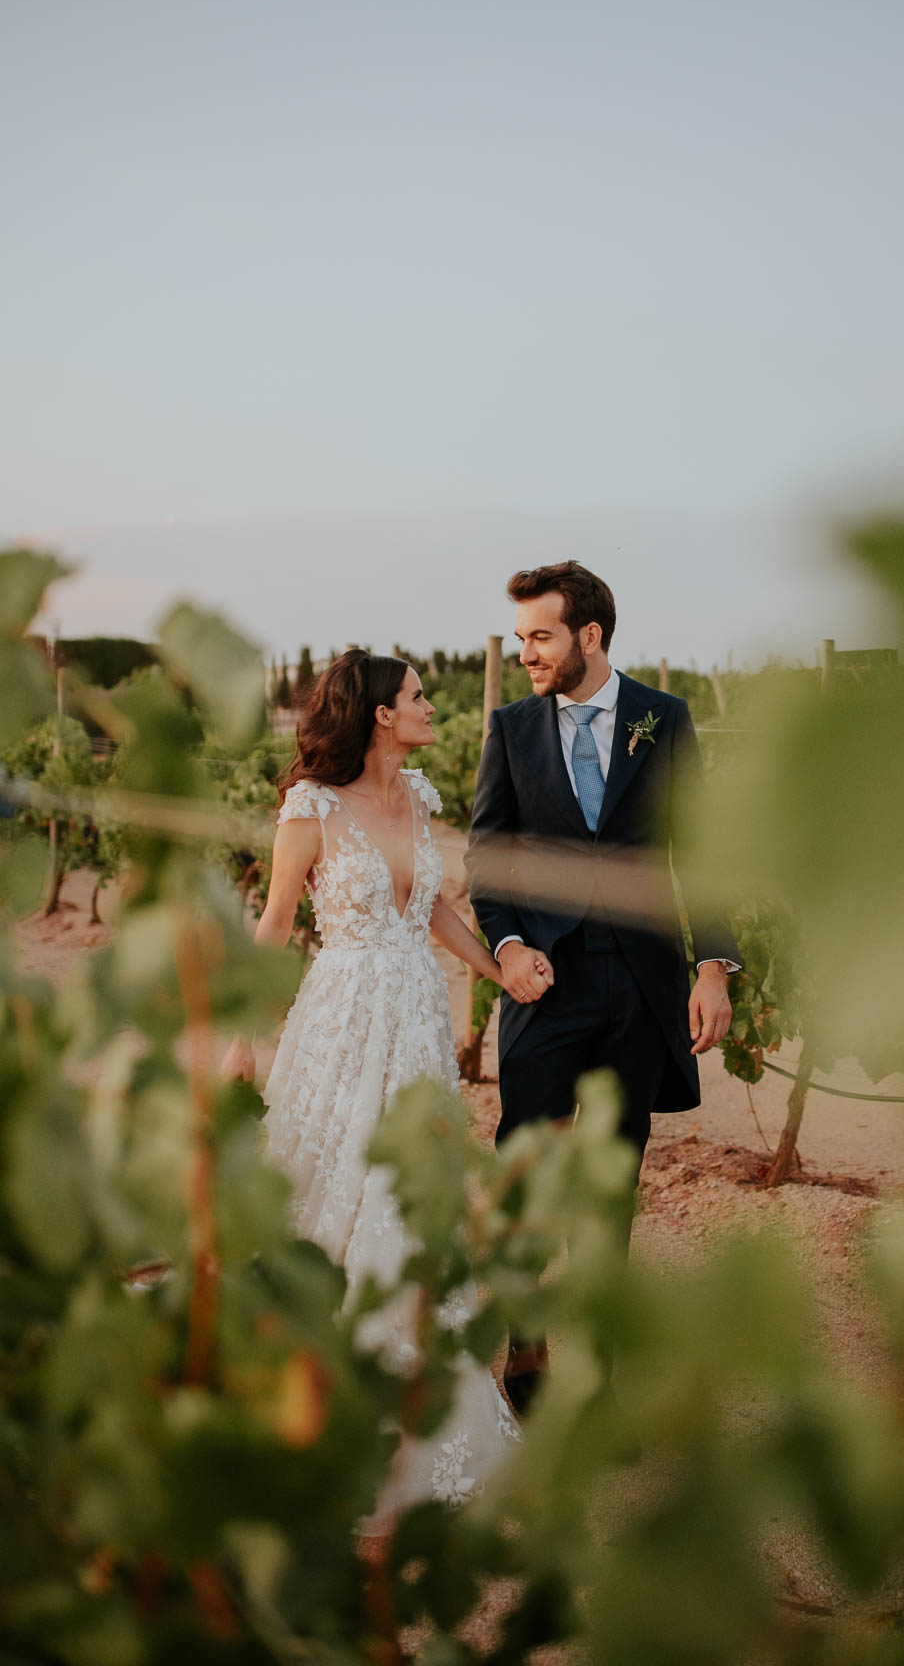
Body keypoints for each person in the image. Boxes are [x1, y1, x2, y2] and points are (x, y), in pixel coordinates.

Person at [220, 649, 519, 1538]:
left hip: (417, 1022)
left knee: (410, 1208)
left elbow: (429, 909)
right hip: (342, 1023)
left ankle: (414, 1430)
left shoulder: (419, 798)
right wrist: (242, 1037)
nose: (432, 705)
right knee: (330, 1199)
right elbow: (274, 926)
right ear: (380, 714)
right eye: (419, 696)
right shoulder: (308, 810)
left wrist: (494, 967)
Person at [465, 561, 740, 1413]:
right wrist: (507, 946)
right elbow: (487, 853)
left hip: (640, 983)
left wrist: (712, 966)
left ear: (589, 636)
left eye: (539, 637)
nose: (525, 655)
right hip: (543, 982)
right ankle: (525, 1340)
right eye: (518, 640)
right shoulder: (511, 728)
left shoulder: (664, 718)